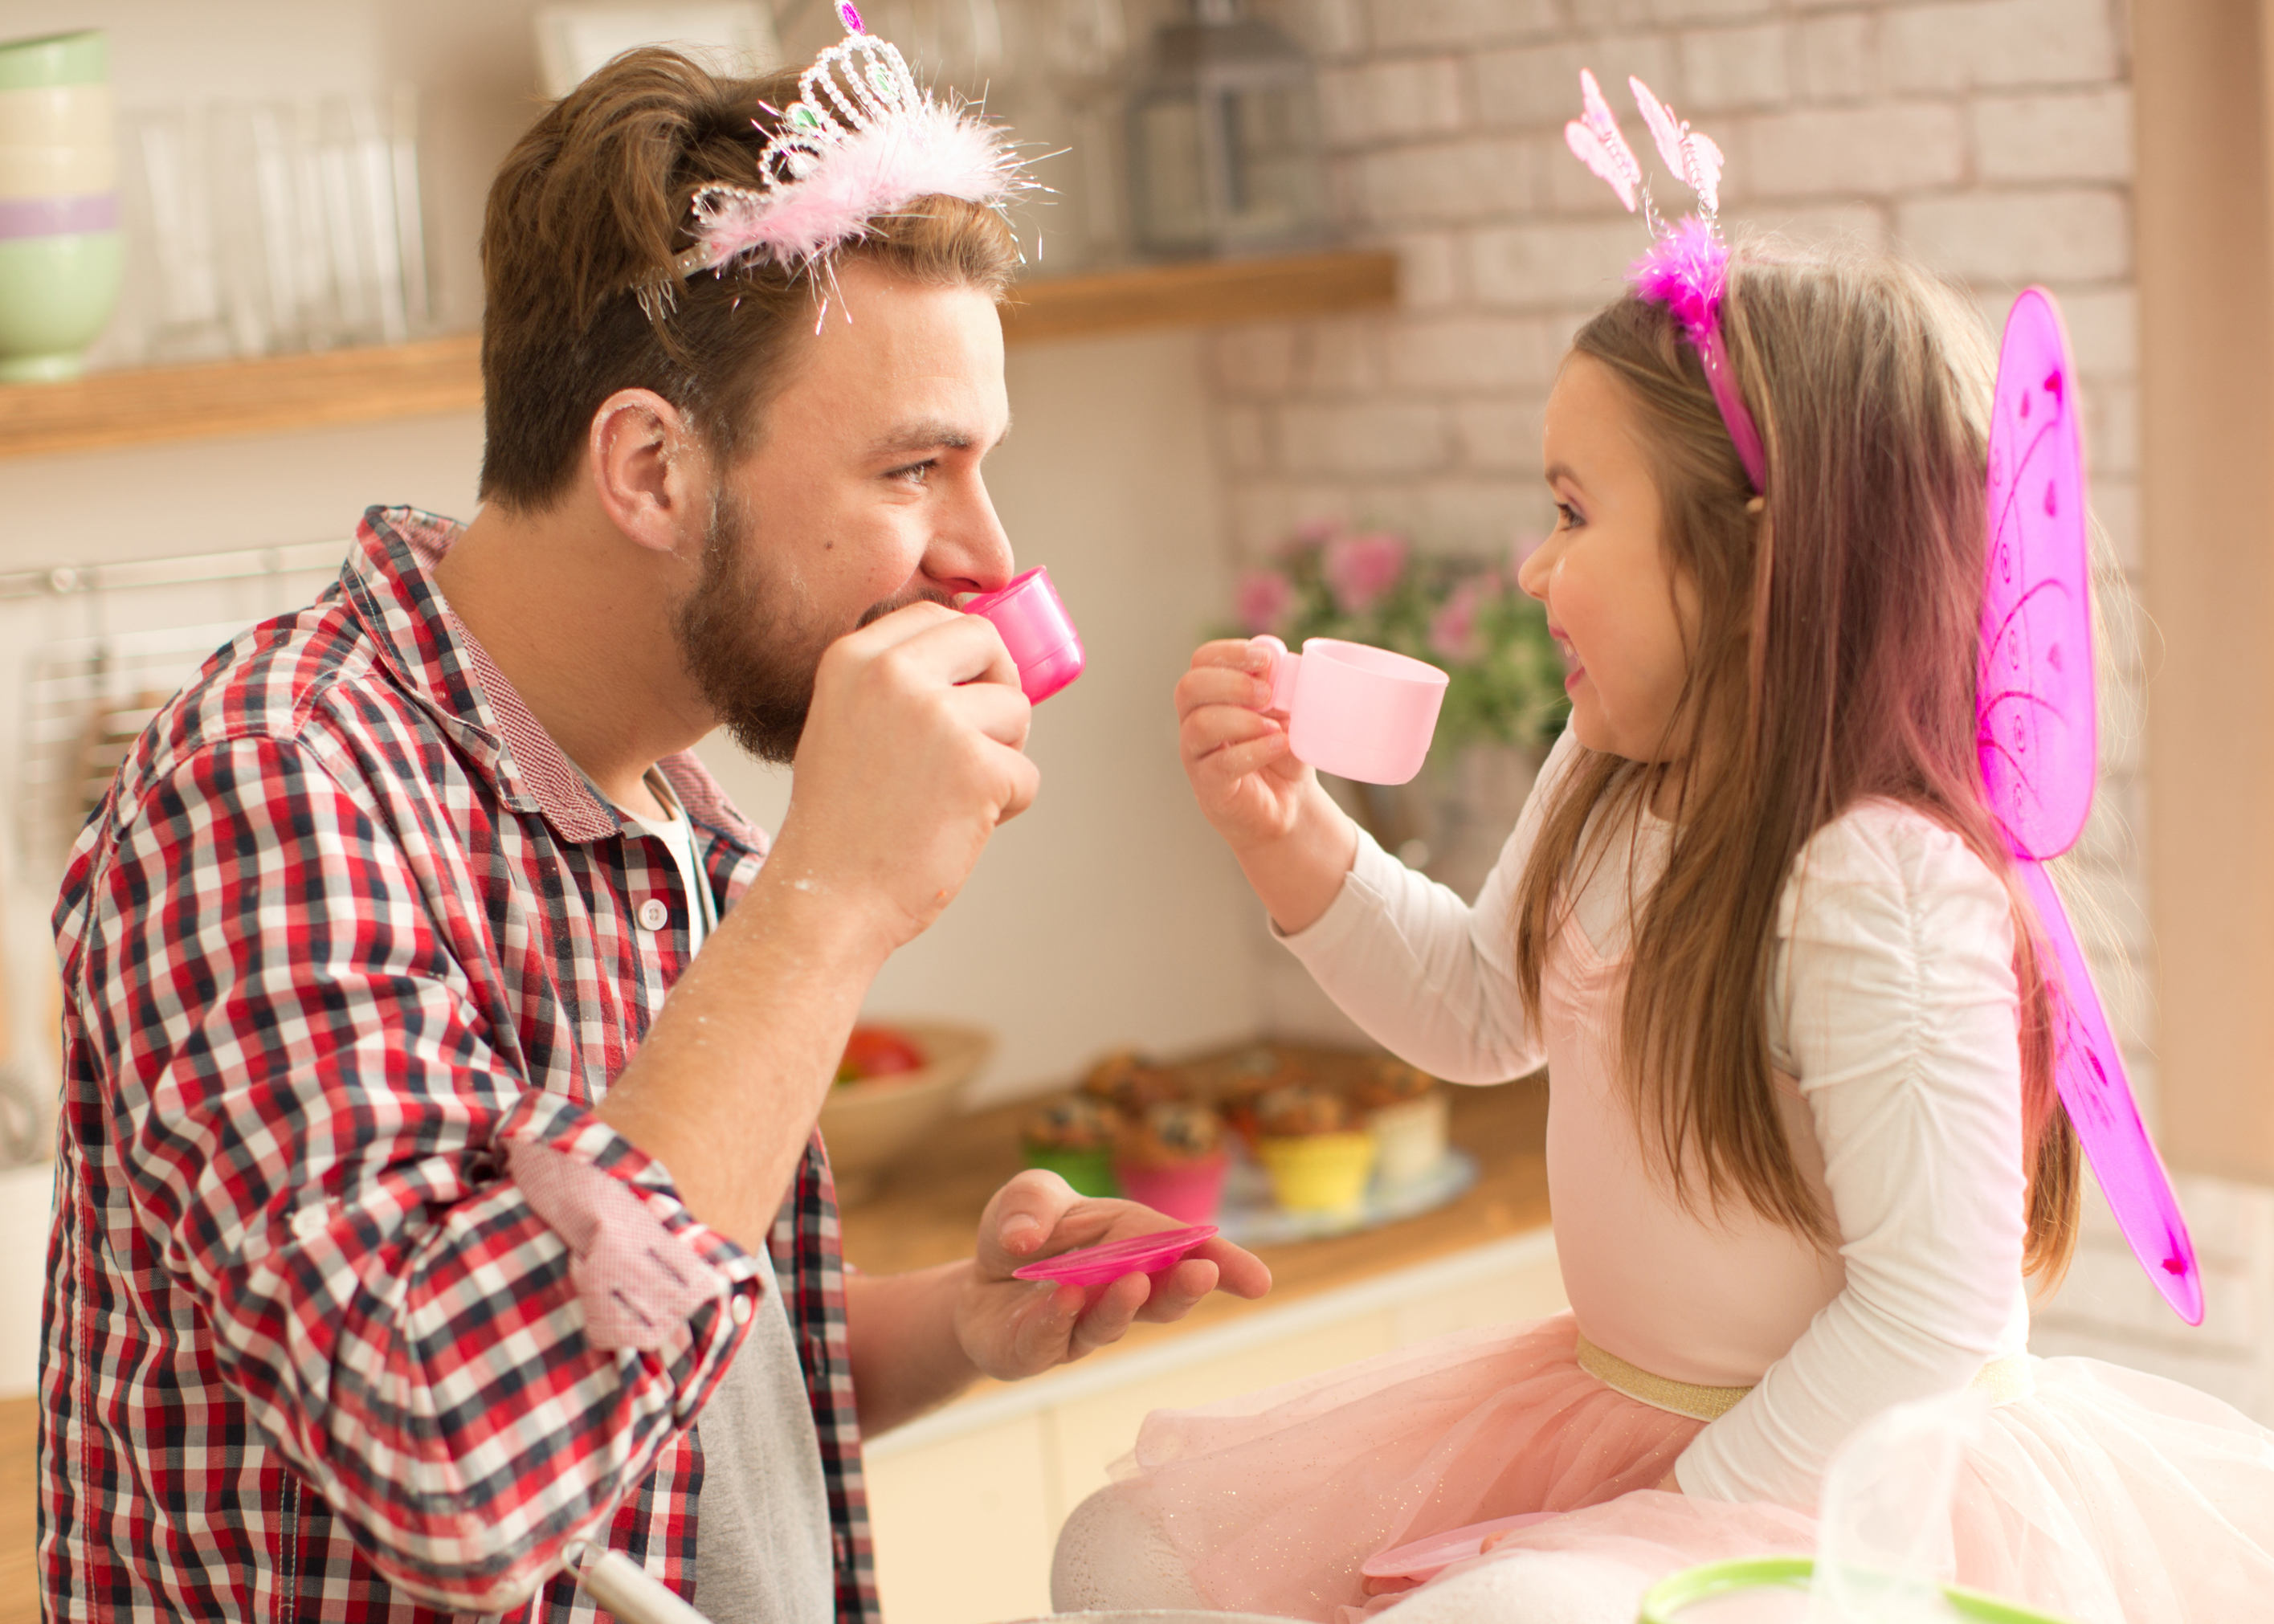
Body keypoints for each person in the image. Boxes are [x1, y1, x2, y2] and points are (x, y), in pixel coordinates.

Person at [37, 23, 1266, 1624]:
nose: (987, 554)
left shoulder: (673, 815)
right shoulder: (275, 789)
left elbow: (673, 1380)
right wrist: (827, 907)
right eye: (917, 469)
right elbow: (464, 1472)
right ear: (647, 468)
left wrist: (955, 1323)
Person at [1055, 239, 2274, 1624]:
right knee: (1124, 1553)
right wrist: (1293, 836)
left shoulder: (1879, 883)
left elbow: (1926, 1318)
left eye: (1574, 512)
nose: (1534, 567)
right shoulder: (1610, 764)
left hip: (1842, 1476)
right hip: (1626, 1414)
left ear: (1753, 551)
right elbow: (1477, 1005)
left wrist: (1666, 1519)